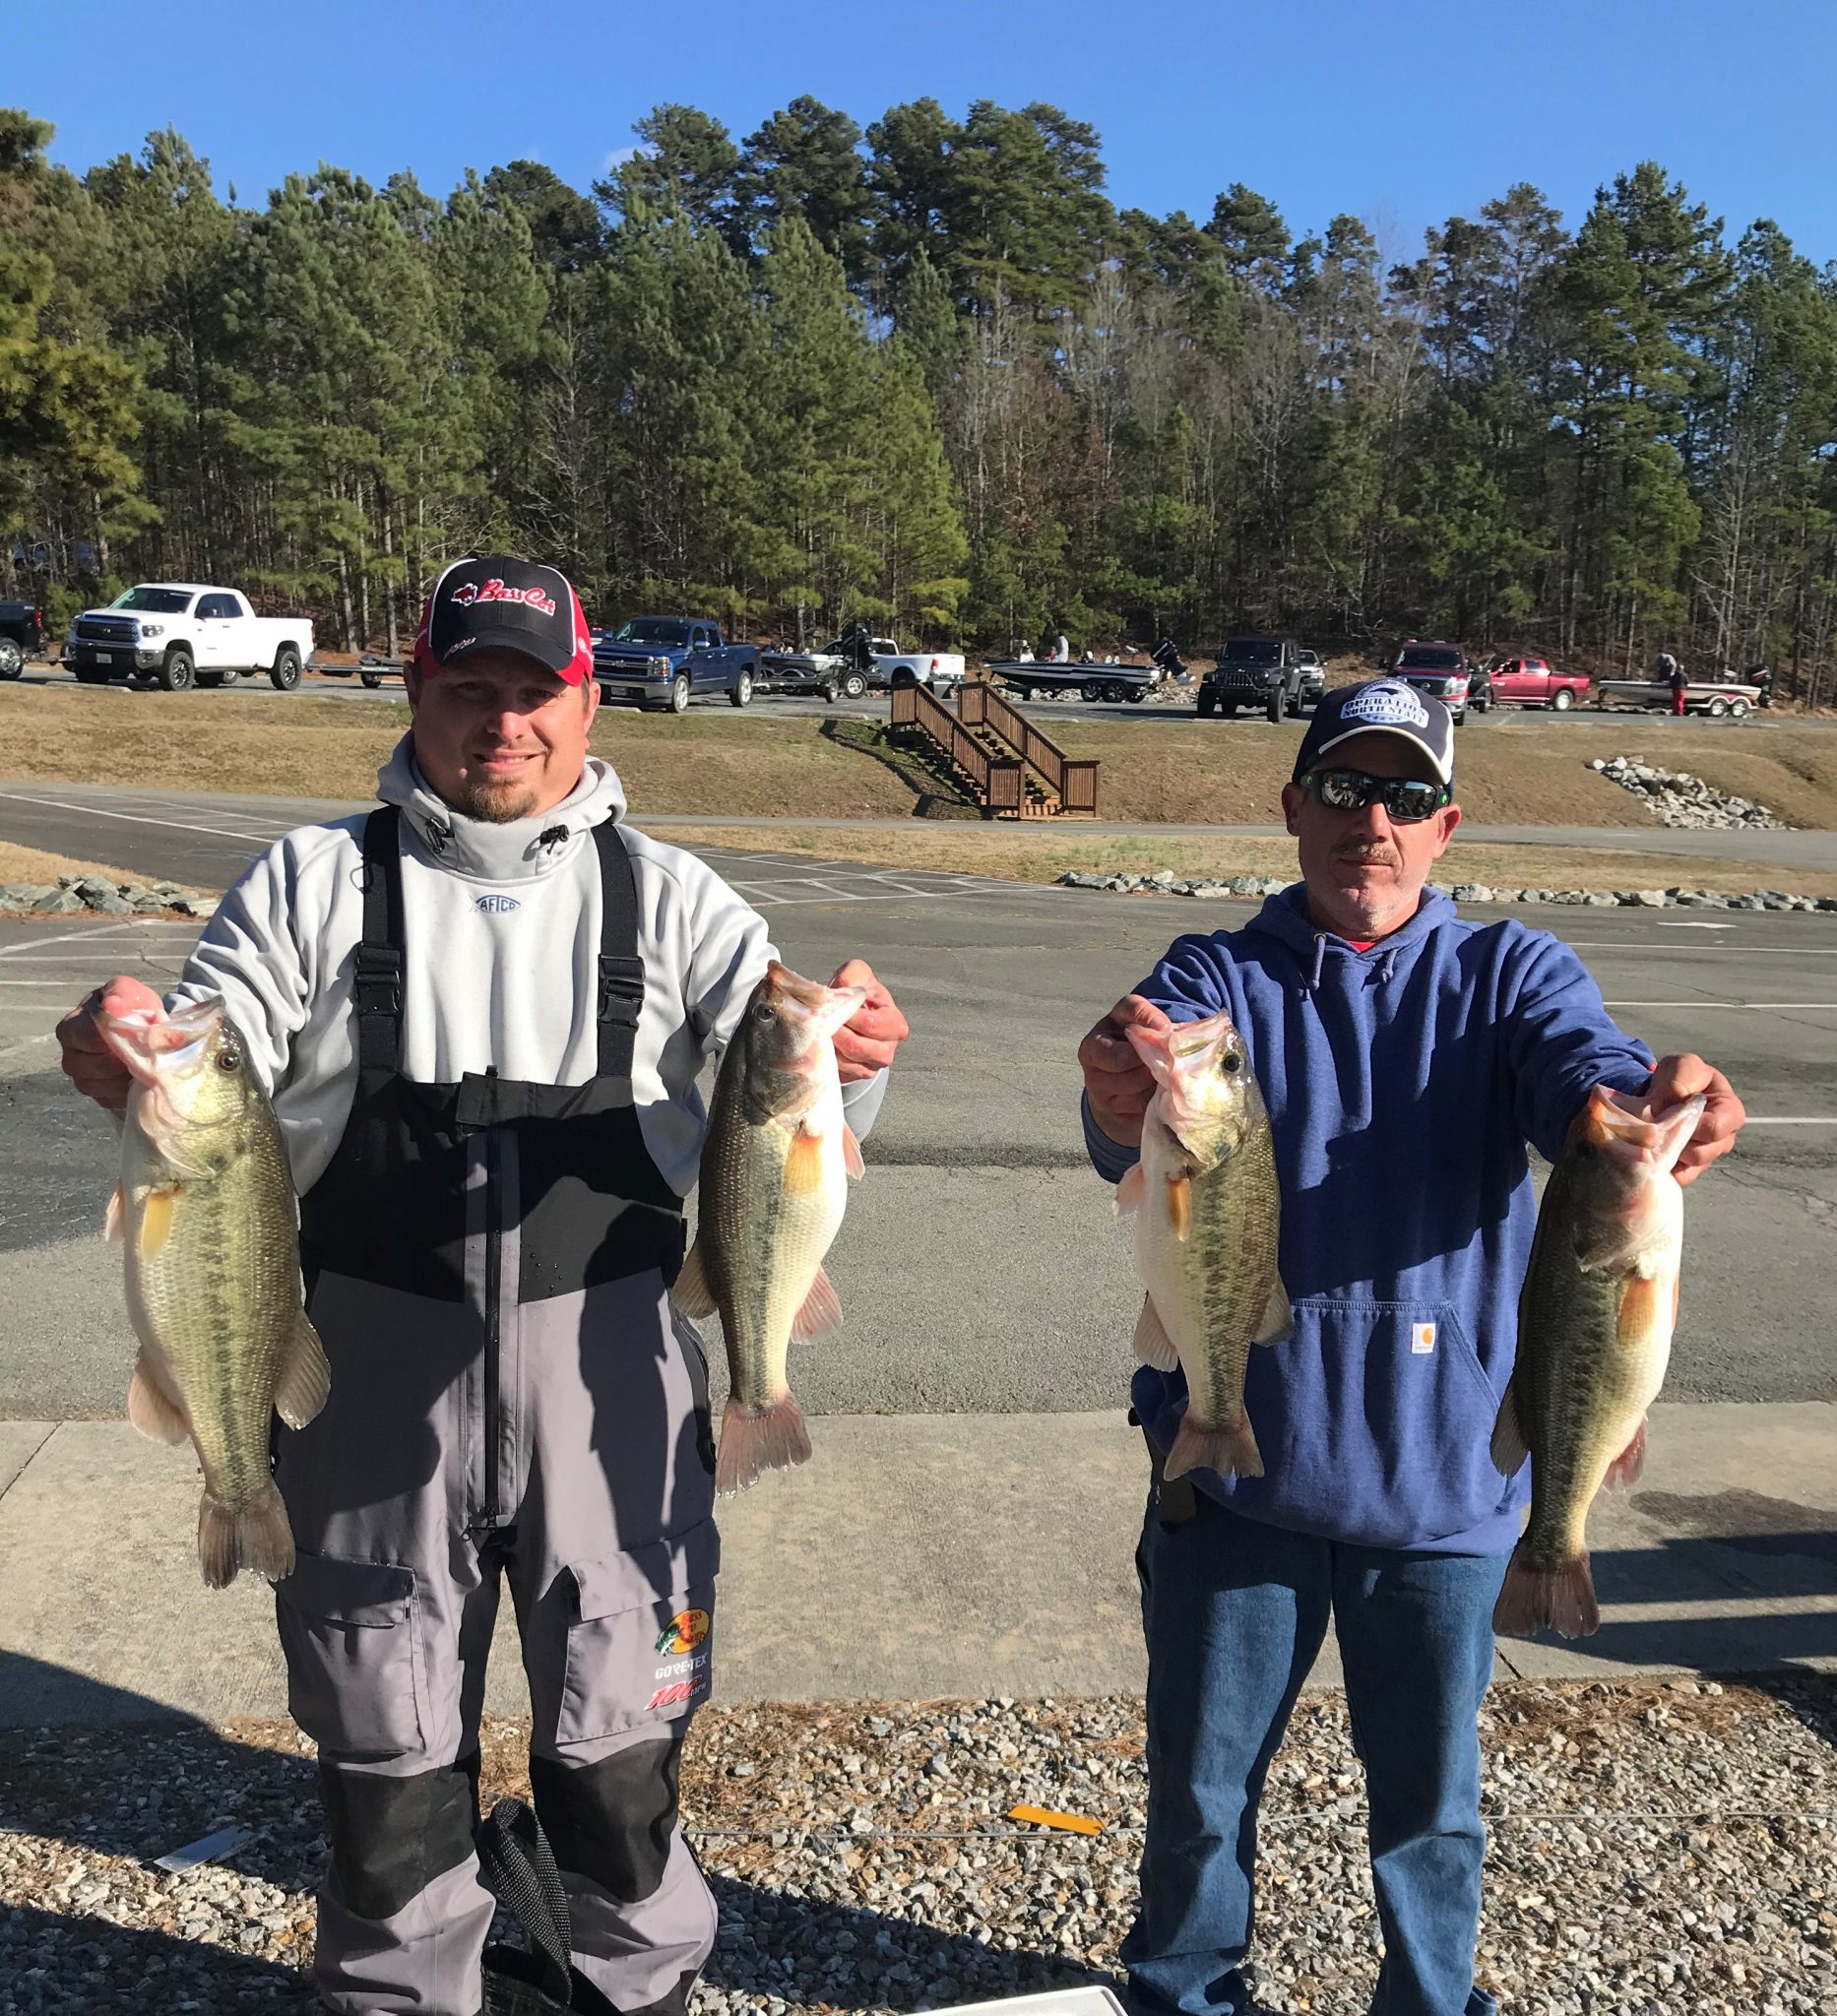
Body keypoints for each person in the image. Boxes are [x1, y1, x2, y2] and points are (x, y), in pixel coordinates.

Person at [57, 556, 910, 2016]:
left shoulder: (676, 895)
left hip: (615, 1372)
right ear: (417, 692)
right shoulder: (313, 881)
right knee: (385, 1745)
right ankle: (400, 1995)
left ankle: (633, 1990)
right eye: (471, 691)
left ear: (586, 702)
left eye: (534, 695)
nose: (502, 726)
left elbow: (793, 1111)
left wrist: (857, 1060)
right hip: (370, 1373)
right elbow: (205, 1046)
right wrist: (123, 1038)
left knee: (619, 1731)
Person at [1076, 677, 1742, 2016]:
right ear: (1290, 809)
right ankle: (1183, 1994)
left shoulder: (1511, 974)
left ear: (1446, 828)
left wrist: (1643, 1102)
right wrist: (1113, 1083)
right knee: (1200, 1791)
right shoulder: (1219, 974)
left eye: (1405, 795)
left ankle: (1430, 2003)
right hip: (1237, 1477)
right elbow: (1136, 1095)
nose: (1369, 821)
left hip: (1448, 1493)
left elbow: (1583, 1077)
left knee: (1428, 1809)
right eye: (1341, 788)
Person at [1659, 650, 1688, 717]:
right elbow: (1687, 681)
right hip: (1682, 689)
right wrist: (1686, 686)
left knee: (1676, 701)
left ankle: (1675, 712)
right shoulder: (1685, 675)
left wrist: (1671, 685)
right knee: (1680, 701)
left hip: (1676, 689)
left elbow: (1672, 679)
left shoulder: (1676, 674)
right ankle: (1679, 712)